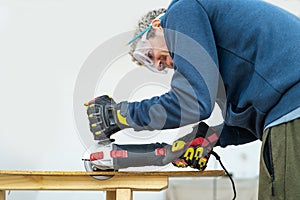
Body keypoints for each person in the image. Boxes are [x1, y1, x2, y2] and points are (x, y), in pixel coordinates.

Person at [85, 0, 300, 199]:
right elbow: (251, 112)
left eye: (149, 55)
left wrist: (120, 115)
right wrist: (210, 137)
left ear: (157, 25)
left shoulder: (181, 11)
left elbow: (194, 101)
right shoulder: (219, 56)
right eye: (155, 66)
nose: (162, 64)